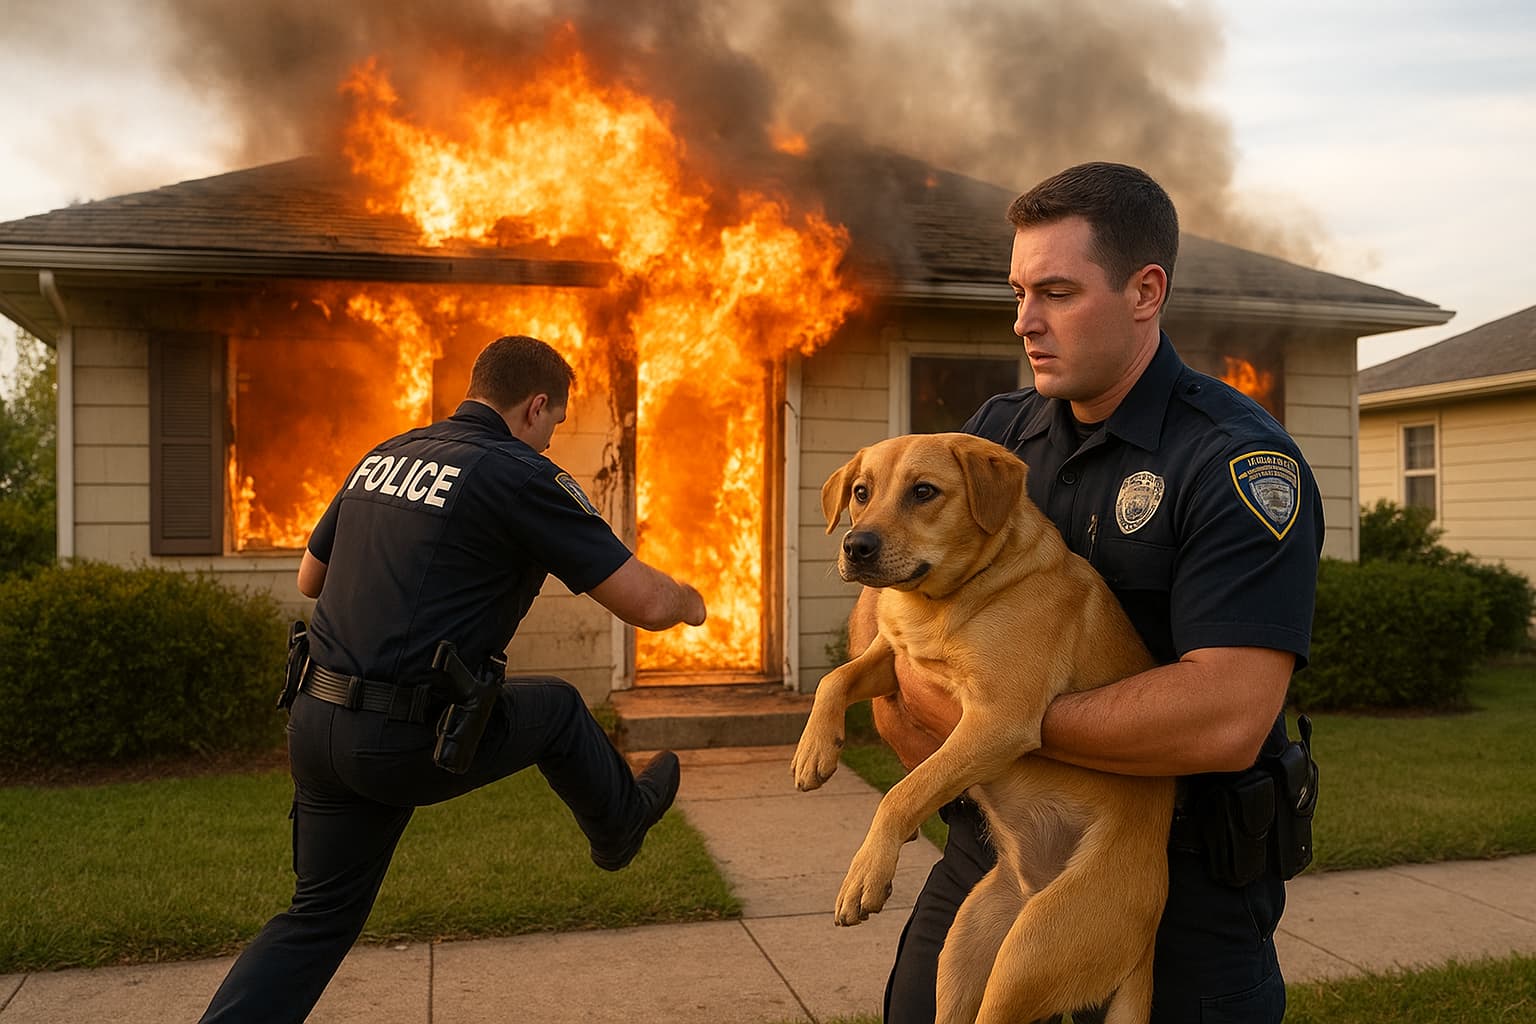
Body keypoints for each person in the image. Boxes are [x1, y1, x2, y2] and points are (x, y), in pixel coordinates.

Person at [866, 163, 1323, 1023]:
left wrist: (1000, 721)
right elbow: (890, 589)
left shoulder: (1233, 461)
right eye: (1019, 291)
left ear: (1145, 290)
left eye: (1058, 292)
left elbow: (1228, 715)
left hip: (1182, 884)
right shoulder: (993, 439)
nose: (1025, 322)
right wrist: (950, 719)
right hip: (995, 851)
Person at [200, 334, 706, 1023]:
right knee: (557, 708)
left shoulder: (386, 454)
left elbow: (309, 578)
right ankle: (621, 827)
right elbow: (645, 603)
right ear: (534, 406)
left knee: (314, 918)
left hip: (315, 725)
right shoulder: (519, 474)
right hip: (402, 739)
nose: (551, 441)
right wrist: (690, 601)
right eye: (555, 423)